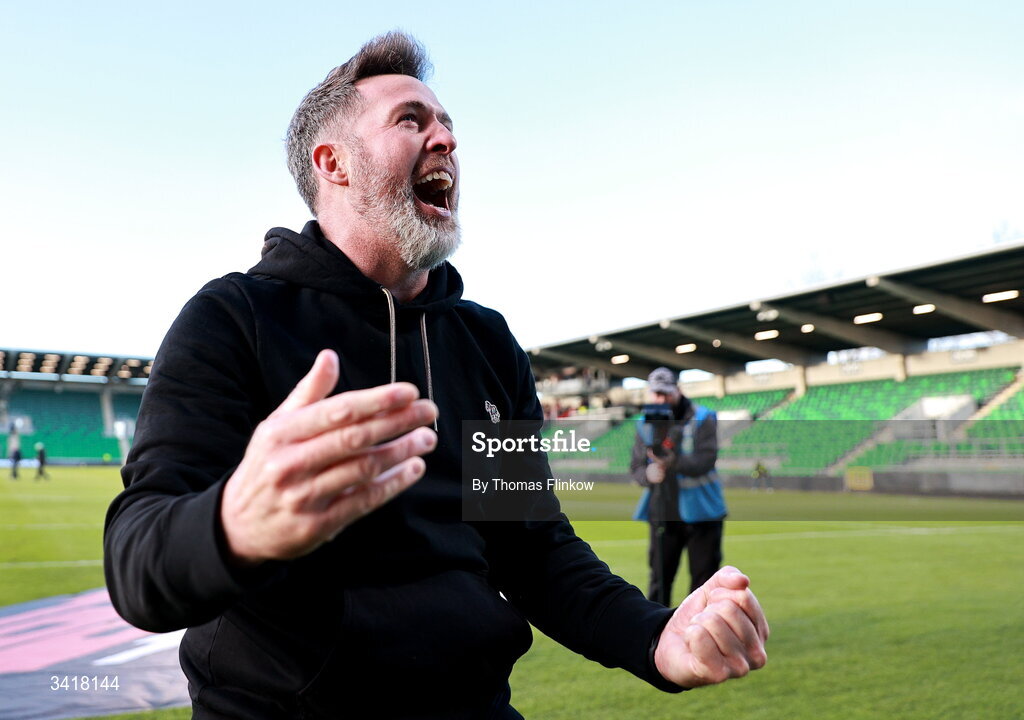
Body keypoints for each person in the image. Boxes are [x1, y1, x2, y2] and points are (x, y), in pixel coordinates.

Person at [103, 32, 767, 719]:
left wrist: (655, 637)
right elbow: (136, 561)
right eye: (411, 121)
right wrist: (234, 522)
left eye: (448, 125)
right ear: (332, 163)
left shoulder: (484, 341)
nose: (445, 140)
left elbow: (531, 547)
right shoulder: (232, 318)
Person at [632, 368, 728, 605]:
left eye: (666, 393)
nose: (662, 399)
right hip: (663, 512)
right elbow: (636, 467)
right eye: (657, 394)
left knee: (704, 583)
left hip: (703, 511)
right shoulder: (643, 423)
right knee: (659, 581)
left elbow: (706, 460)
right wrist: (648, 473)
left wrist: (671, 461)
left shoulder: (703, 416)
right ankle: (655, 637)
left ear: (678, 390)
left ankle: (700, 636)